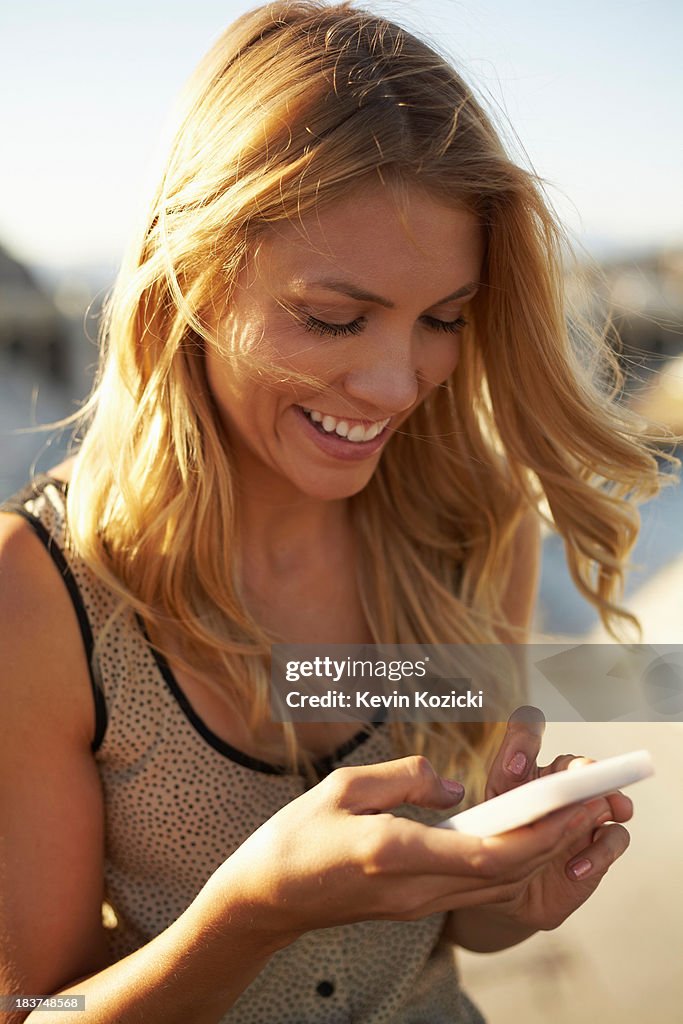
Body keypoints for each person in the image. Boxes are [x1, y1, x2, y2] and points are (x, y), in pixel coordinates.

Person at [0, 2, 668, 1022]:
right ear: (191, 277)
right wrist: (249, 913)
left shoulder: (469, 531)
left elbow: (449, 929)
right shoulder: (41, 595)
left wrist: (507, 889)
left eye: (443, 319)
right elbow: (32, 1011)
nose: (398, 382)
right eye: (333, 317)